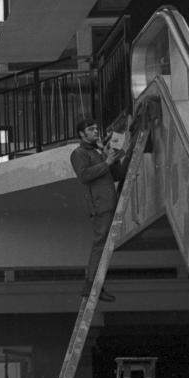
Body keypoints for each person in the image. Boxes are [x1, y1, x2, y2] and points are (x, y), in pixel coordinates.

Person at [71, 115, 122, 303]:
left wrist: (113, 158)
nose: (95, 132)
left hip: (107, 201)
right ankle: (92, 284)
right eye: (91, 130)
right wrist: (106, 162)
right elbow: (84, 175)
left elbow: (114, 174)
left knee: (102, 244)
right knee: (100, 244)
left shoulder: (98, 152)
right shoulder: (79, 153)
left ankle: (94, 284)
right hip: (99, 204)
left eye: (95, 129)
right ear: (81, 134)